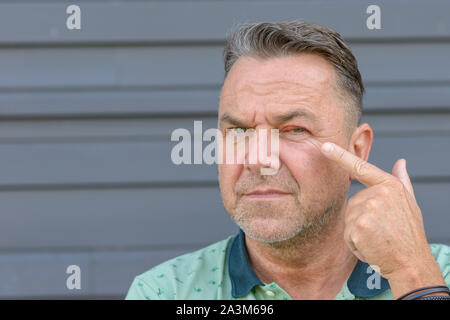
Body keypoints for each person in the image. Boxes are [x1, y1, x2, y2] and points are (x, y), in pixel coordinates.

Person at [125, 20, 450, 300]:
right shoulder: (166, 291)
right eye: (238, 131)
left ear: (357, 150)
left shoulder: (439, 274)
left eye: (294, 130)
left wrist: (413, 274)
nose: (258, 159)